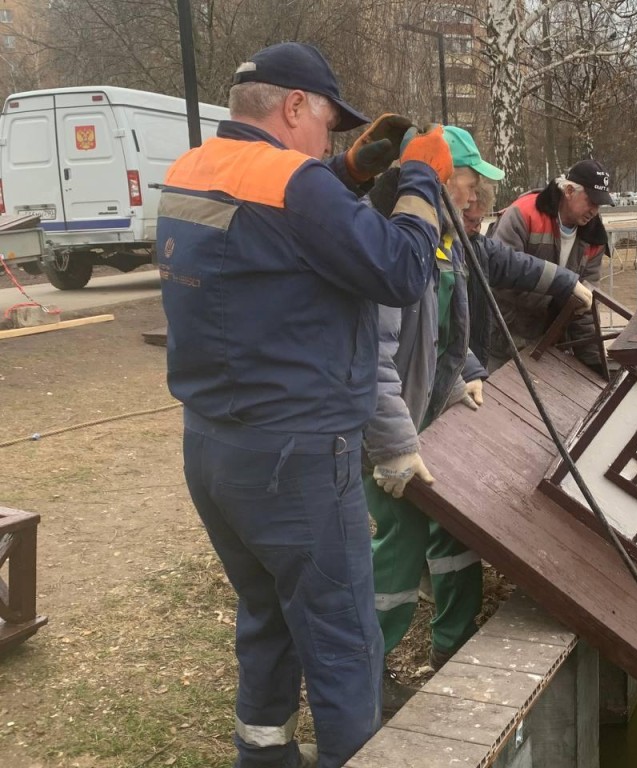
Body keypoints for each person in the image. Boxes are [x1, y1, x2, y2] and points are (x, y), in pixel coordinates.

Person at [156, 41, 453, 768]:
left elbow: (277, 237)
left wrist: (351, 173)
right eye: (329, 124)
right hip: (297, 463)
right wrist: (419, 178)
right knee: (345, 643)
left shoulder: (190, 170)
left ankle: (263, 756)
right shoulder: (295, 184)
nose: (331, 141)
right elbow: (406, 269)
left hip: (214, 451)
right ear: (293, 107)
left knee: (269, 618)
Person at [364, 128, 592, 713]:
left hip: (429, 414)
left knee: (454, 527)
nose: (476, 198)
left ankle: (453, 642)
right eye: (468, 184)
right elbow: (370, 358)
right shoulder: (395, 242)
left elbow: (448, 326)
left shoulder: (447, 241)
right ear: (442, 179)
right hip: (386, 424)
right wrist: (391, 443)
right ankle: (370, 674)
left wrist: (467, 369)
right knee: (402, 539)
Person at [488, 159, 612, 373]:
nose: (595, 210)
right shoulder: (523, 213)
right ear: (570, 191)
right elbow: (500, 274)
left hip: (549, 346)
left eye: (599, 204)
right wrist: (561, 293)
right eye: (591, 201)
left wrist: (596, 367)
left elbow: (585, 306)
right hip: (503, 341)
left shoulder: (595, 238)